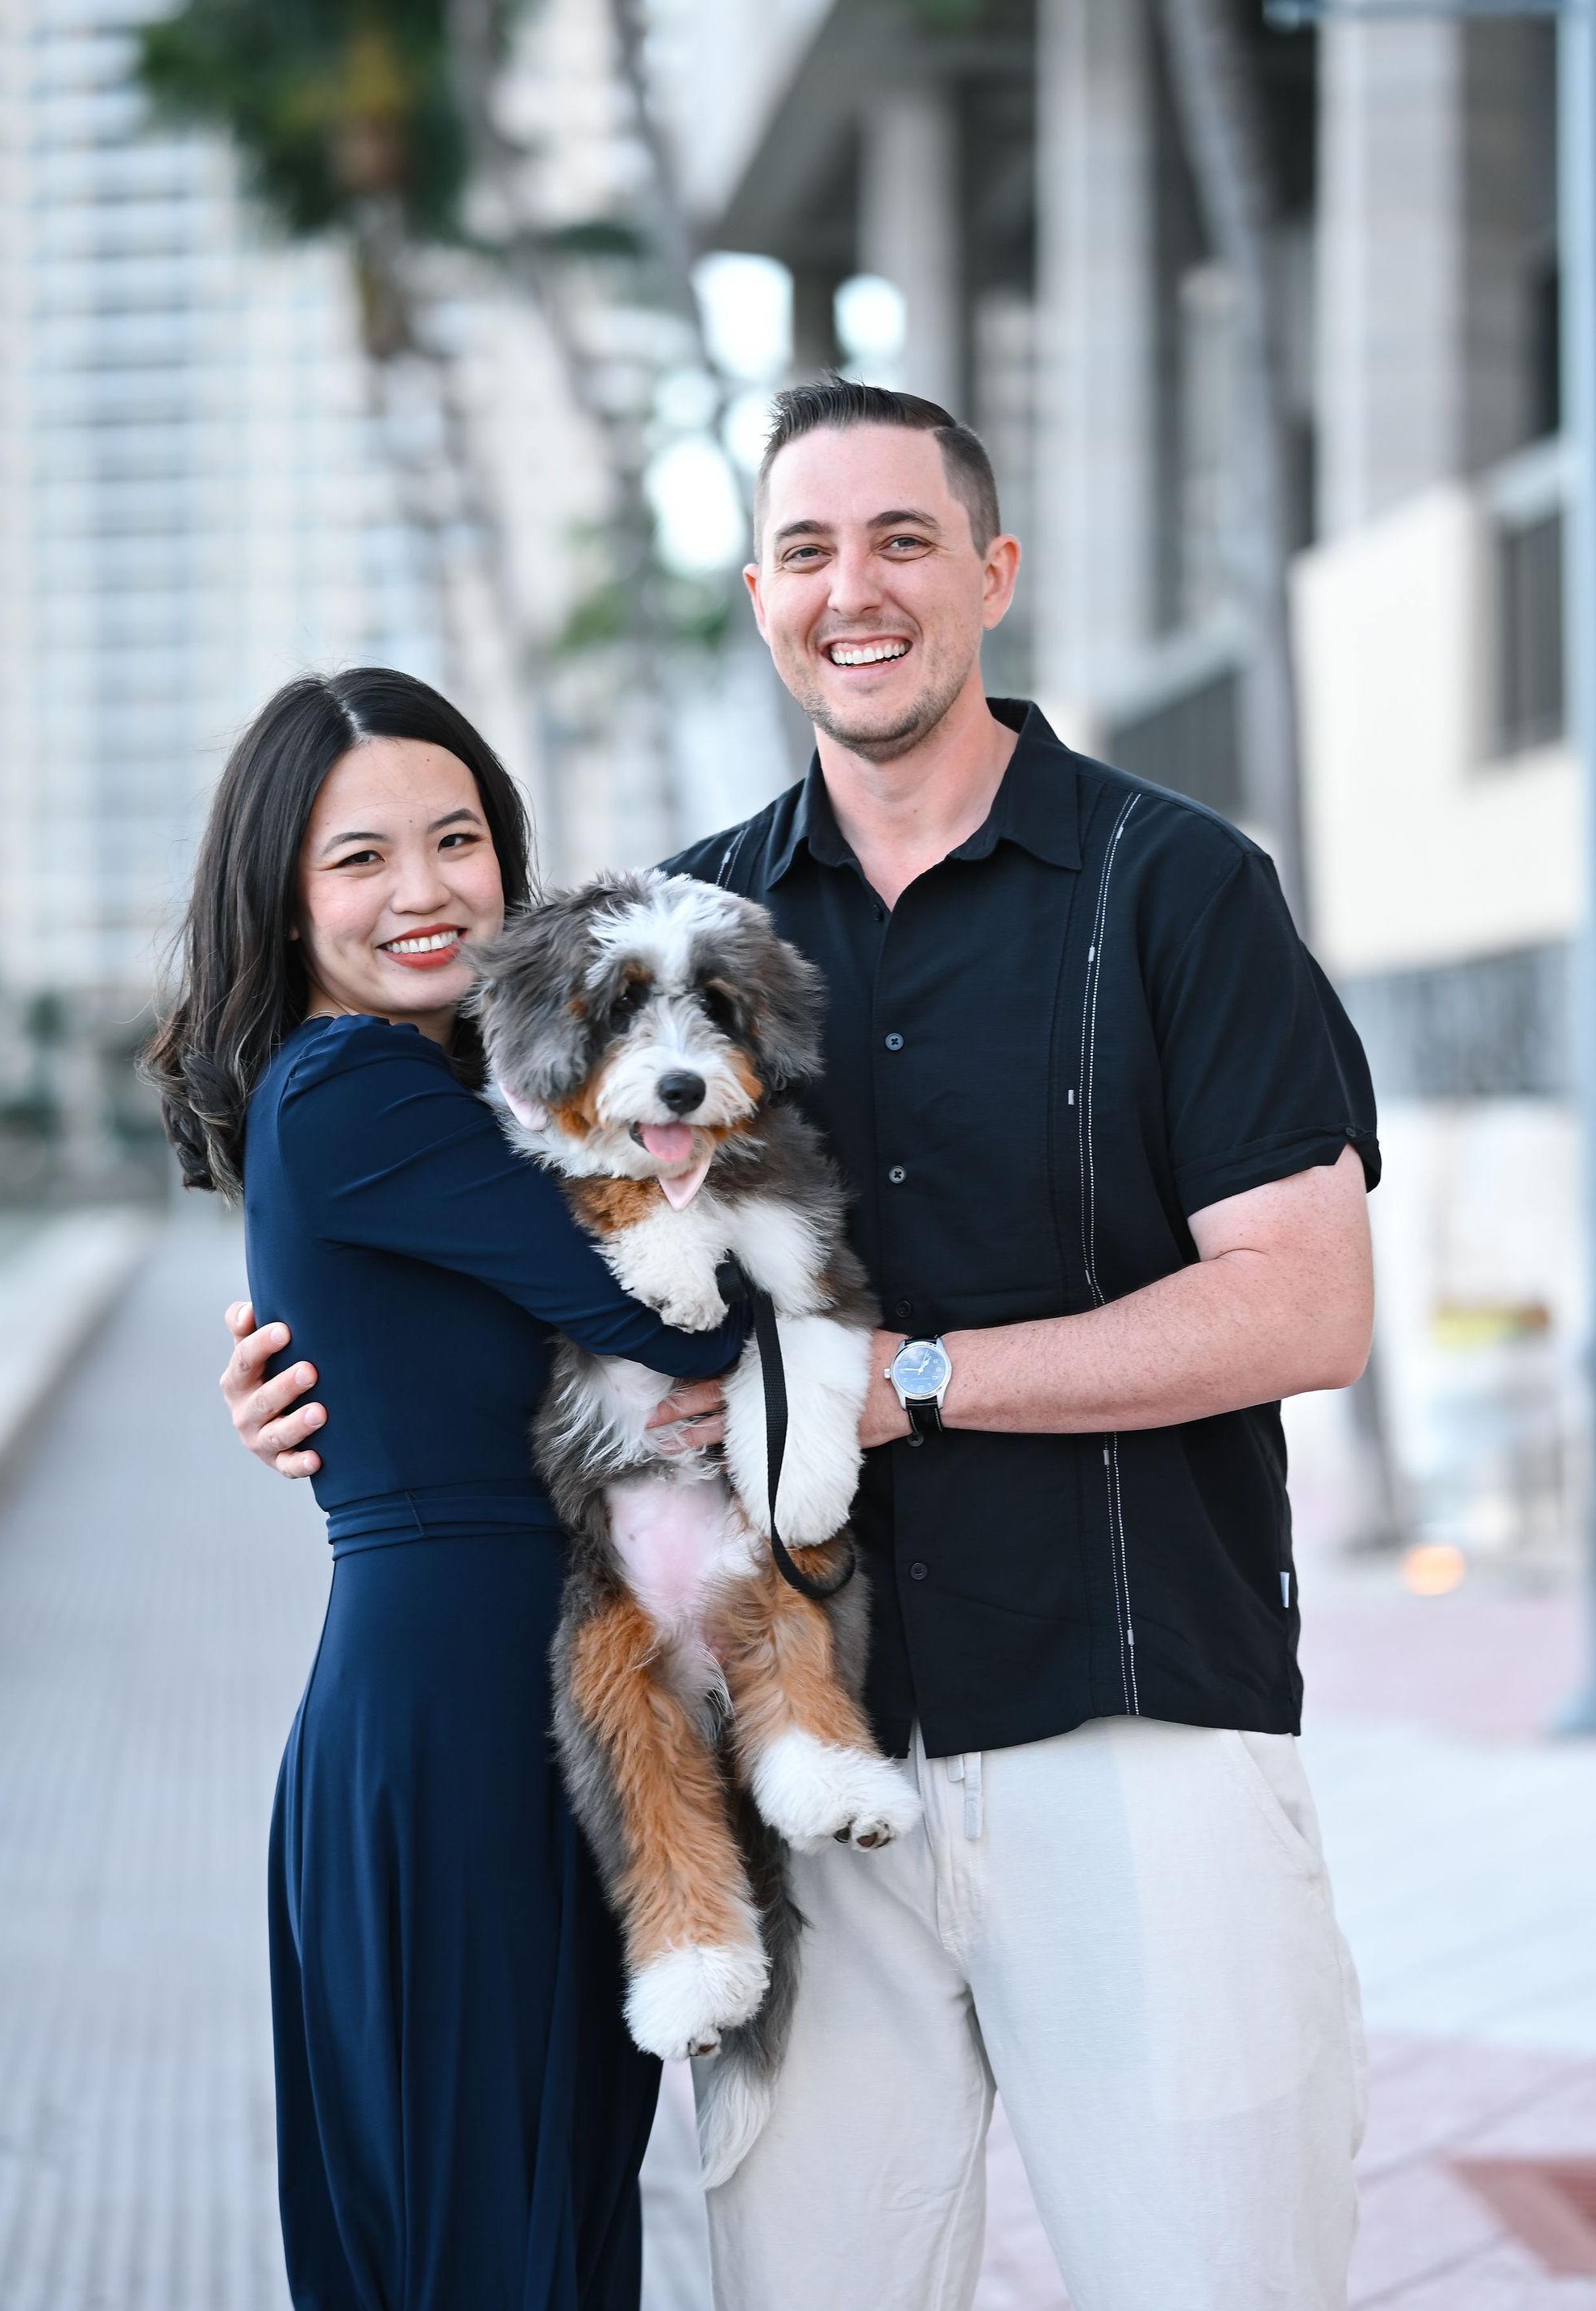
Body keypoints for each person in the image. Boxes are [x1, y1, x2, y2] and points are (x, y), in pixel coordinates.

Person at [222, 384, 1378, 2311]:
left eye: (905, 541)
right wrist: (293, 1381)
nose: (858, 591)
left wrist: (904, 1382)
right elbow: (522, 1249)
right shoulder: (691, 922)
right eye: (811, 552)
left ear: (990, 573)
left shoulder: (1179, 891)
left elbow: (1307, 1303)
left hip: (1127, 1721)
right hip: (792, 1778)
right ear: (760, 594)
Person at [147, 667, 747, 2311]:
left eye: (458, 839)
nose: (423, 891)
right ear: (280, 896)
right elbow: (667, 1307)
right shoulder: (355, 1090)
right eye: (360, 859)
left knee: (534, 2222)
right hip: (460, 1725)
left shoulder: (450, 1091)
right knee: (484, 2238)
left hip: (531, 1708)